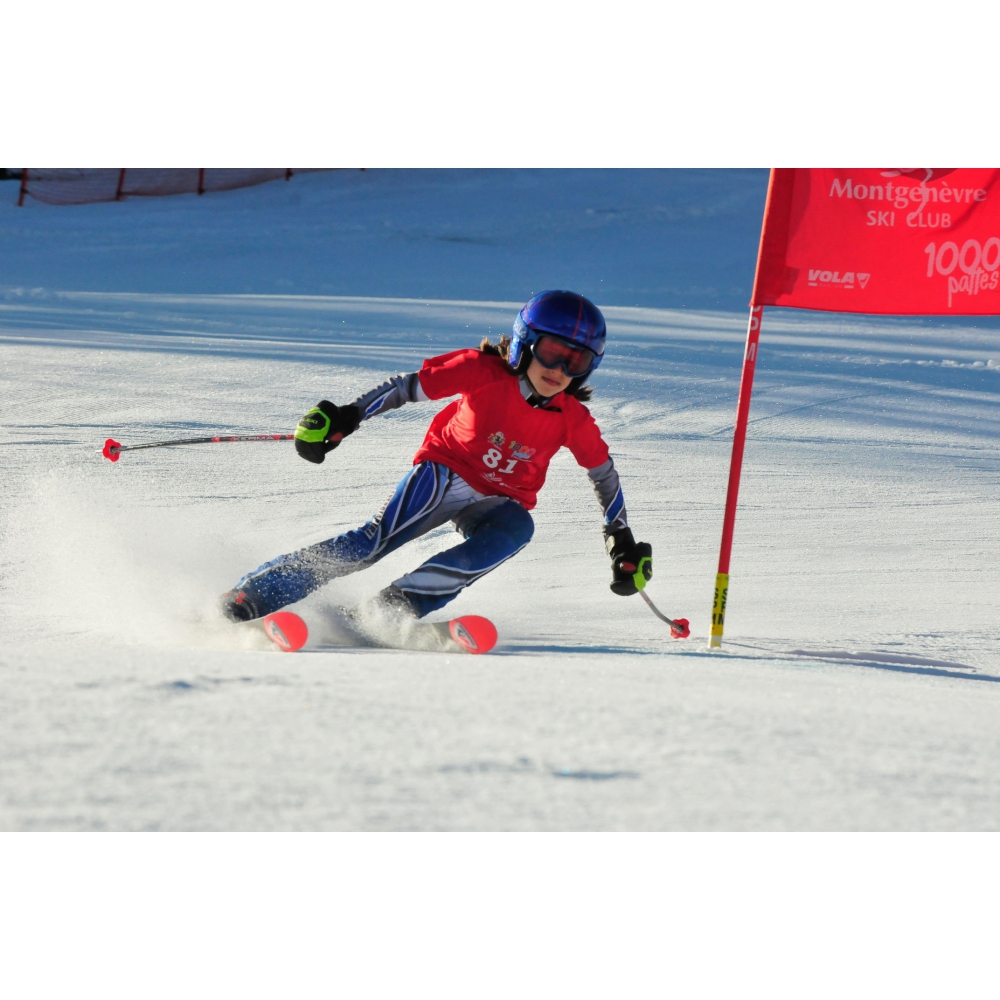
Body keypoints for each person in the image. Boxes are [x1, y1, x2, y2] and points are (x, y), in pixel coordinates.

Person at [220, 290, 653, 629]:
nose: (559, 370)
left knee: (517, 529)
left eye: (576, 361)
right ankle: (252, 595)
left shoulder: (572, 418)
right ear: (526, 343)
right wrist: (348, 416)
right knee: (373, 544)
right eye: (552, 352)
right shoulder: (482, 373)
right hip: (445, 473)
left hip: (498, 501)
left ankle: (392, 608)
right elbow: (406, 388)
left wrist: (620, 538)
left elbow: (603, 474)